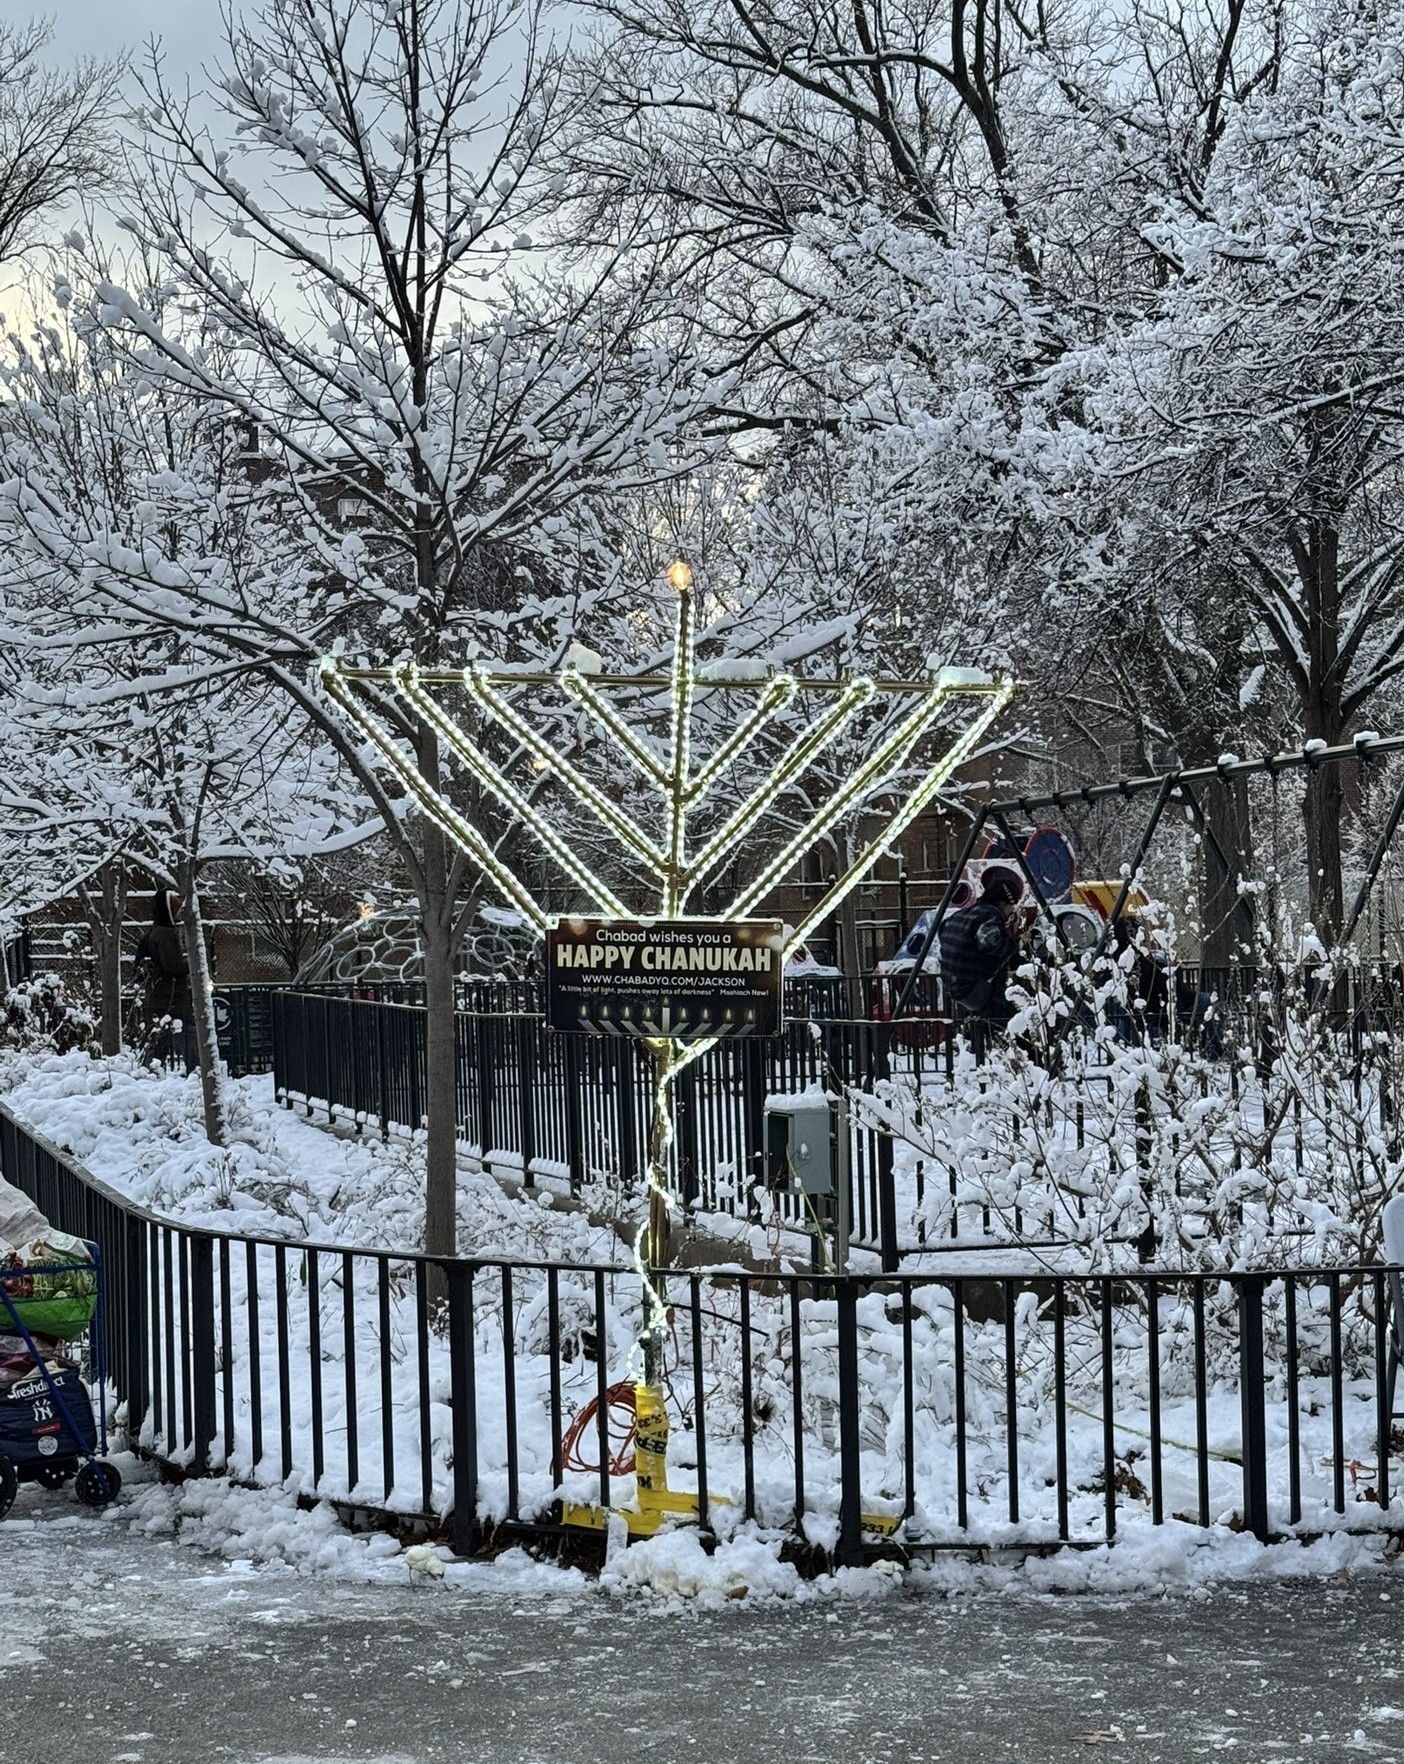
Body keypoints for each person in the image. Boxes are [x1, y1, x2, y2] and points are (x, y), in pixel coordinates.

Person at [936, 869, 1025, 1045]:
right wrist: (1014, 942)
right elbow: (991, 944)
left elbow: (943, 932)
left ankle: (976, 1041)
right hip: (973, 986)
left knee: (984, 1017)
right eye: (1011, 907)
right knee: (1006, 1010)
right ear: (1002, 903)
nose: (1010, 912)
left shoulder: (961, 914)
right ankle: (1000, 1041)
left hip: (952, 984)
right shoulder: (989, 915)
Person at [134, 891, 196, 1072]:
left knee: (159, 1036)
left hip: (159, 994)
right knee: (186, 1034)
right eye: (176, 909)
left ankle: (149, 1071)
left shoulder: (152, 932)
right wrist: (192, 965)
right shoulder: (165, 934)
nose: (178, 913)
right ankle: (197, 1071)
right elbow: (172, 964)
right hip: (172, 995)